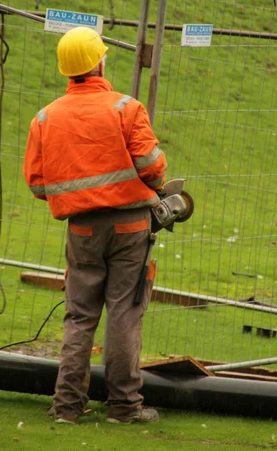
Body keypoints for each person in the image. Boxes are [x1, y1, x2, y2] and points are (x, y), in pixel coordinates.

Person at [23, 26, 167, 425]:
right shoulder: (127, 108)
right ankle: (123, 407)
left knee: (80, 316)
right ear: (100, 61)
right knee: (124, 312)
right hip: (129, 227)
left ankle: (67, 407)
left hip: (81, 230)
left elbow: (38, 184)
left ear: (66, 70)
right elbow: (153, 169)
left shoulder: (45, 118)